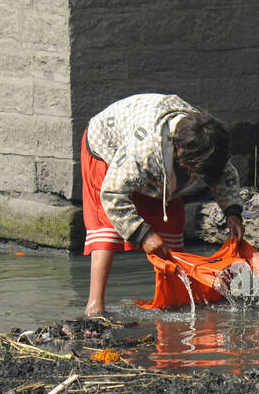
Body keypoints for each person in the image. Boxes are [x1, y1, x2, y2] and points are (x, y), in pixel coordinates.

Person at [80, 93, 245, 317]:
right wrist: (143, 235)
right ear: (181, 156)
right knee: (107, 230)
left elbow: (224, 174)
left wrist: (232, 212)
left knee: (169, 234)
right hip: (107, 149)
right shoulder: (145, 151)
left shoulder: (208, 143)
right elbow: (111, 194)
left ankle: (173, 299)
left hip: (154, 167)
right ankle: (95, 305)